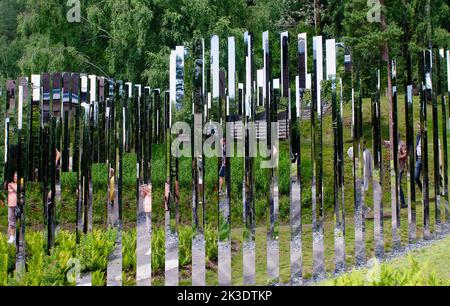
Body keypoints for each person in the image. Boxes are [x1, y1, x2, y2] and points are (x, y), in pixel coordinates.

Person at [141, 184, 152, 256]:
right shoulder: (148, 184)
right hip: (147, 210)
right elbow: (143, 196)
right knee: (149, 230)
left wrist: (148, 192)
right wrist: (143, 191)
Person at [7, 172, 18, 244]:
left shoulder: (21, 185)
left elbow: (18, 190)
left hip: (18, 205)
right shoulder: (10, 184)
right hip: (11, 205)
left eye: (16, 176)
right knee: (11, 222)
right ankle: (11, 237)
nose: (15, 177)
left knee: (18, 222)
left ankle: (16, 236)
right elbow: (13, 189)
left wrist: (14, 187)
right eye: (14, 176)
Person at [398, 140, 408, 209]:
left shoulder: (402, 144)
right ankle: (401, 202)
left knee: (398, 184)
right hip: (394, 168)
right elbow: (386, 143)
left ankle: (403, 203)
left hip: (400, 168)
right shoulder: (392, 143)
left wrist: (397, 157)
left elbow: (405, 154)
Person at [415, 125, 423, 192]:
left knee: (424, 177)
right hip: (418, 159)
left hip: (423, 159)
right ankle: (422, 190)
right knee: (416, 177)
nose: (418, 129)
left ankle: (425, 193)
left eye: (419, 128)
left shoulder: (424, 137)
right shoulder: (418, 136)